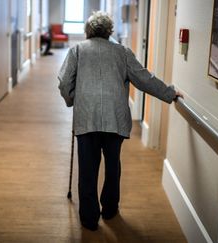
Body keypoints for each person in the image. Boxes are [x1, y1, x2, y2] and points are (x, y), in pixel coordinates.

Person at [58, 11, 182, 231]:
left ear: (88, 31)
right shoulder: (122, 52)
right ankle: (110, 209)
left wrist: (71, 100)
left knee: (87, 169)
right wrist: (169, 93)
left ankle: (89, 219)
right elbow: (144, 79)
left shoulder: (77, 50)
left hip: (86, 118)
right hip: (116, 120)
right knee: (112, 166)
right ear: (109, 32)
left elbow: (65, 82)